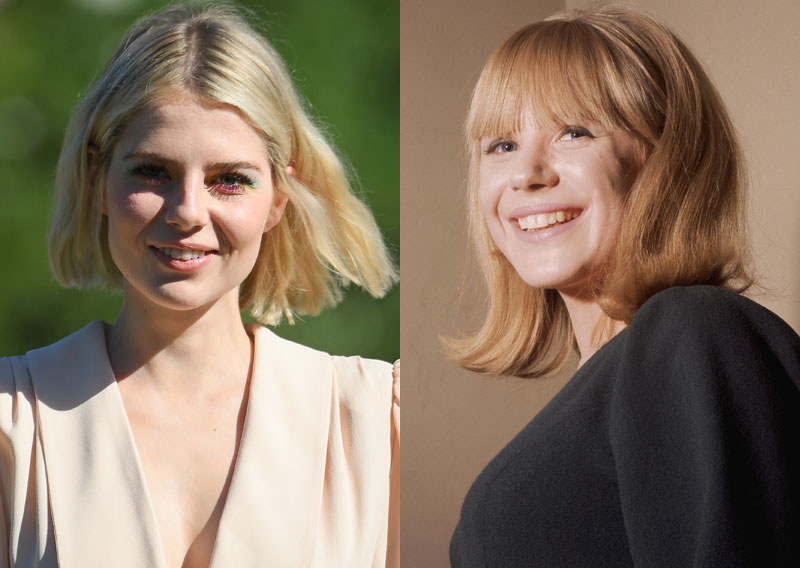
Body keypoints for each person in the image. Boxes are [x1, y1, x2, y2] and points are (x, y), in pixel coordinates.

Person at [0, 4, 398, 567]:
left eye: (229, 180)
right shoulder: (10, 423)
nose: (188, 210)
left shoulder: (377, 421)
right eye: (152, 172)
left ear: (279, 199)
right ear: (97, 181)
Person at [448, 6, 800, 566]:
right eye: (501, 145)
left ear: (666, 160)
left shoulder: (692, 332)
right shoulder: (610, 384)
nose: (526, 174)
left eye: (574, 131)